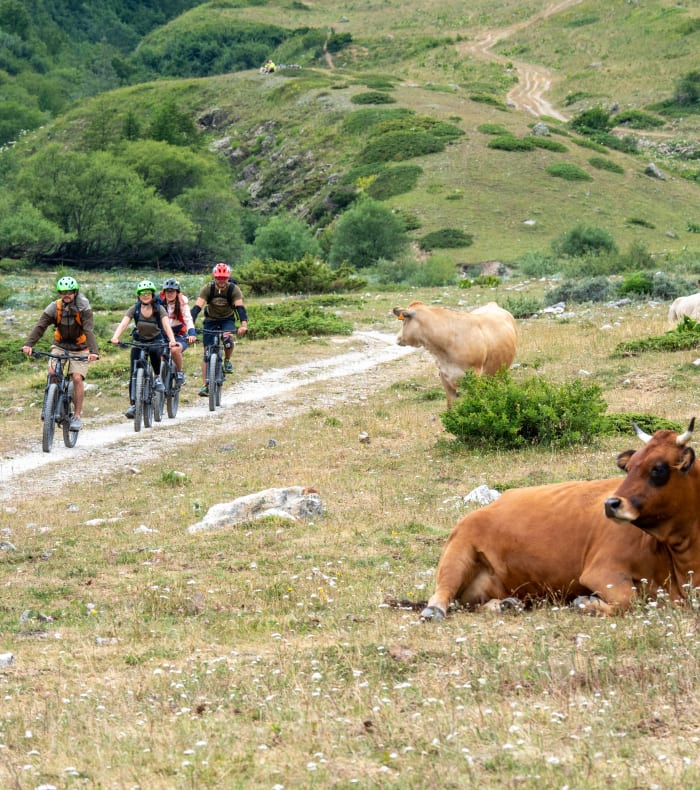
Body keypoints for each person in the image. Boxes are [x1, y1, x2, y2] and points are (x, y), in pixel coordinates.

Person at [22, 276, 100, 431]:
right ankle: (49, 406)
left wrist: (94, 351)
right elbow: (40, 326)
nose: (67, 294)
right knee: (52, 372)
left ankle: (77, 416)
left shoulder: (83, 307)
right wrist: (28, 344)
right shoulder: (54, 307)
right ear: (59, 293)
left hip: (80, 347)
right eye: (63, 292)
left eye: (70, 291)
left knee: (77, 378)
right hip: (60, 345)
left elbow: (88, 330)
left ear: (75, 292)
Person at [109, 280, 179, 419]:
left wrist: (172, 340)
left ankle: (157, 377)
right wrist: (115, 337)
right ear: (138, 295)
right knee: (134, 373)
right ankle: (134, 404)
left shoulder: (159, 309)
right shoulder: (134, 309)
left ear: (152, 294)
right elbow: (124, 324)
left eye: (148, 293)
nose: (145, 295)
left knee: (154, 352)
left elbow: (166, 325)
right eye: (142, 293)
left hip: (156, 340)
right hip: (139, 340)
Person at [190, 263, 248, 397]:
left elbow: (240, 309)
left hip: (227, 320)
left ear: (228, 277)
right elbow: (197, 307)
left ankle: (227, 360)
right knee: (206, 353)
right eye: (218, 278)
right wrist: (190, 324)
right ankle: (205, 385)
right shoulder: (207, 289)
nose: (221, 281)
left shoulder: (234, 289)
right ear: (214, 277)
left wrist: (243, 325)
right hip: (210, 320)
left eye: (224, 278)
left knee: (227, 340)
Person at [160, 278, 197, 384]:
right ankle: (158, 381)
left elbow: (188, 319)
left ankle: (180, 373)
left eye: (172, 291)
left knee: (175, 350)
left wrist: (192, 334)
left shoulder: (182, 303)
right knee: (158, 354)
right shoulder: (160, 303)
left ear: (177, 292)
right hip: (163, 334)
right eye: (167, 291)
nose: (169, 293)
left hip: (178, 335)